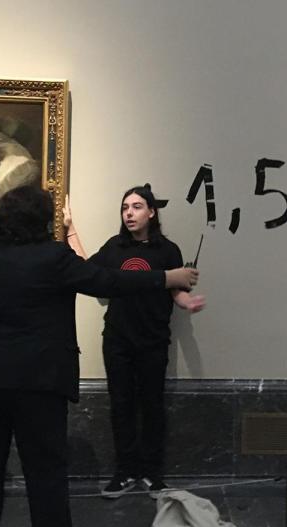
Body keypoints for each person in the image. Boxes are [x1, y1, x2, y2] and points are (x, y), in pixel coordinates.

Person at [0, 185, 199, 527]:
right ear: (42, 220)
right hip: (37, 384)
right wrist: (167, 278)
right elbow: (109, 282)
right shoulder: (54, 258)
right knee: (45, 477)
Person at [72, 184, 206, 499]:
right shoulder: (115, 247)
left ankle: (152, 473)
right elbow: (86, 272)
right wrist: (70, 230)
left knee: (152, 405)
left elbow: (176, 290)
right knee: (121, 405)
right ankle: (125, 471)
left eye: (135, 207)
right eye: (124, 208)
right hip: (117, 339)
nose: (129, 213)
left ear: (151, 212)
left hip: (153, 339)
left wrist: (188, 302)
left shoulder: (166, 250)